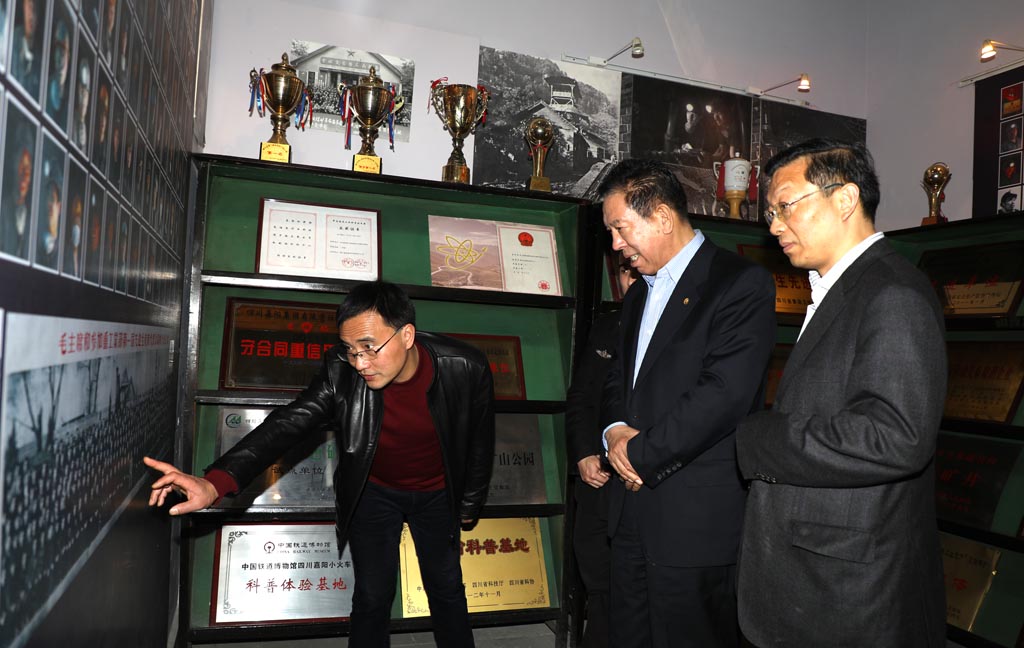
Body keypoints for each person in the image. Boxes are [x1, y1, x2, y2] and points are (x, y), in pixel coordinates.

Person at [144, 281, 496, 647]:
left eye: (369, 347)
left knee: (446, 588)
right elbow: (290, 423)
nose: (360, 363)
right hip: (373, 493)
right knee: (372, 595)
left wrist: (468, 505)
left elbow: (480, 442)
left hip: (438, 495)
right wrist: (215, 482)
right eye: (350, 349)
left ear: (406, 335)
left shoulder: (465, 367)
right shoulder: (341, 371)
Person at [735, 139, 947, 647]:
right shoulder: (842, 289)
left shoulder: (892, 293)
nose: (774, 226)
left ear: (846, 199)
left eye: (786, 205)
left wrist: (759, 436)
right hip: (814, 581)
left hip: (852, 594)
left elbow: (894, 437)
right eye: (770, 213)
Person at [598, 158, 776, 648]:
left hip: (693, 517)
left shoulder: (739, 284)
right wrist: (614, 431)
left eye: (620, 228)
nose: (615, 245)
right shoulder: (638, 294)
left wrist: (639, 455)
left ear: (661, 216)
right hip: (630, 509)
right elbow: (617, 378)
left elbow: (723, 396)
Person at [565, 253, 639, 648]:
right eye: (624, 273)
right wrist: (583, 454)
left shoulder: (681, 328)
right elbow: (582, 396)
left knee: (630, 591)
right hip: (597, 478)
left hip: (643, 478)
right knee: (598, 581)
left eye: (637, 273)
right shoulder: (608, 326)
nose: (630, 281)